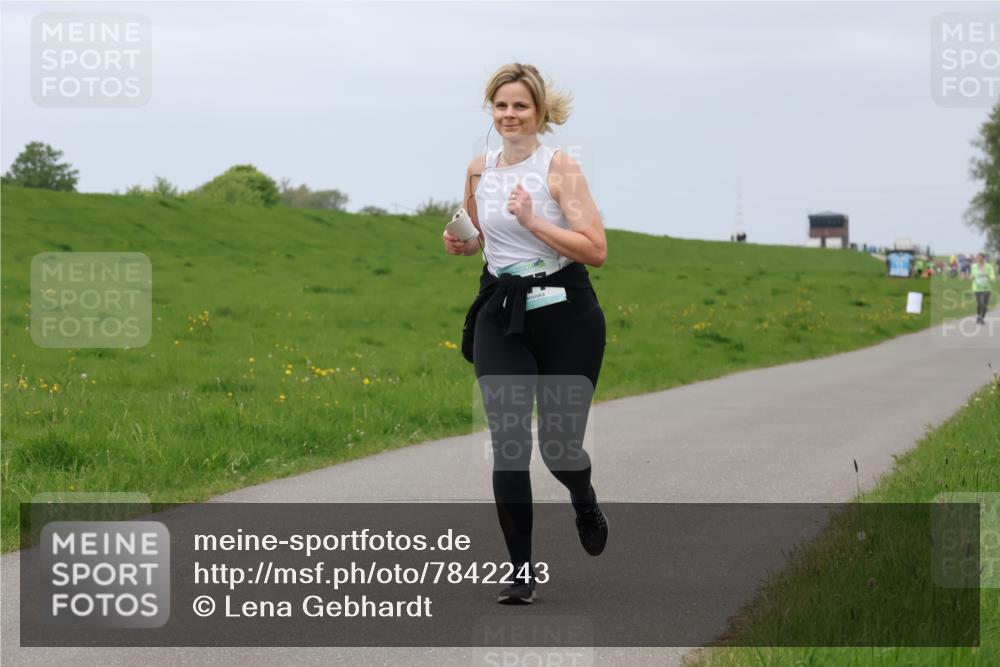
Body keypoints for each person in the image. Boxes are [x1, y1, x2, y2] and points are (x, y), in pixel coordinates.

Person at [442, 63, 609, 605]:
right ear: (490, 110)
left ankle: (583, 497)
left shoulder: (560, 169)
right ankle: (521, 572)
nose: (509, 115)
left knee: (559, 449)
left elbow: (596, 250)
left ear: (539, 112)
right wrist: (462, 242)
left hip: (566, 315)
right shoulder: (479, 170)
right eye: (501, 105)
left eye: (520, 106)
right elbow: (477, 236)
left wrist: (536, 222)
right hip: (501, 312)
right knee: (509, 443)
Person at [971, 252, 996, 325]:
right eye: (977, 257)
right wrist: (972, 277)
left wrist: (990, 277)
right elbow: (972, 275)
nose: (978, 258)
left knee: (984, 305)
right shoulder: (974, 266)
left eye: (979, 257)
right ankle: (979, 316)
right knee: (981, 304)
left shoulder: (989, 266)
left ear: (983, 258)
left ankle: (981, 318)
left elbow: (992, 275)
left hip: (986, 288)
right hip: (977, 288)